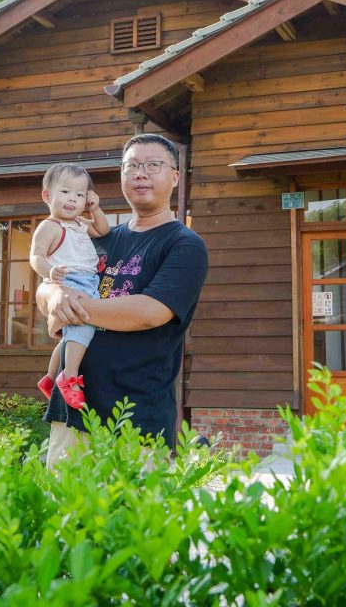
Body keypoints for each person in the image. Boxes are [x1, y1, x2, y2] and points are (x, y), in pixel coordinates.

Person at [37, 133, 208, 468]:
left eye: (153, 165)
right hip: (72, 412)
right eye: (131, 166)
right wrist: (55, 294)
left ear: (174, 177)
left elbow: (149, 311)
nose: (140, 173)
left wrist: (74, 307)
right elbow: (48, 286)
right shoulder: (97, 239)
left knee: (130, 518)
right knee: (65, 515)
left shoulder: (184, 245)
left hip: (135, 419)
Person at [30, 163, 111, 410]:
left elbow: (102, 230)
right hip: (68, 280)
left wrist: (95, 209)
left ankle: (51, 376)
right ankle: (69, 376)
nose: (72, 199)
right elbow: (36, 257)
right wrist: (50, 272)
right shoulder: (50, 226)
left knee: (70, 337)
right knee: (83, 328)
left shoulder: (80, 223)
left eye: (79, 195)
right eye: (65, 192)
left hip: (89, 281)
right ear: (47, 195)